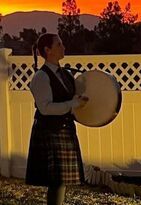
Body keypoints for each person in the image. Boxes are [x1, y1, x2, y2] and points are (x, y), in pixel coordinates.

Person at [25, 33, 89, 205]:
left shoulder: (66, 74)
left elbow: (72, 98)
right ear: (48, 50)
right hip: (49, 131)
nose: (64, 47)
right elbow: (45, 108)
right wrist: (72, 103)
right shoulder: (41, 77)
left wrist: (80, 103)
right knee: (56, 182)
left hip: (65, 129)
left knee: (60, 182)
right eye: (59, 44)